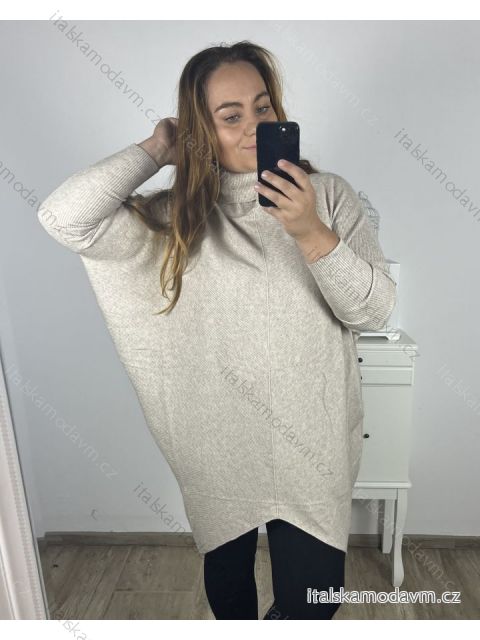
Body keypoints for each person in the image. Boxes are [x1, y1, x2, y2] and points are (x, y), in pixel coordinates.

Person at [37, 40, 396, 619]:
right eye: (230, 116)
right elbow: (63, 217)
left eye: (263, 107)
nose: (254, 125)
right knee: (230, 600)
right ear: (201, 128)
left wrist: (308, 230)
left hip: (312, 444)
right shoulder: (170, 217)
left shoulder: (328, 197)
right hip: (217, 446)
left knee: (314, 599)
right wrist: (158, 149)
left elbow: (373, 312)